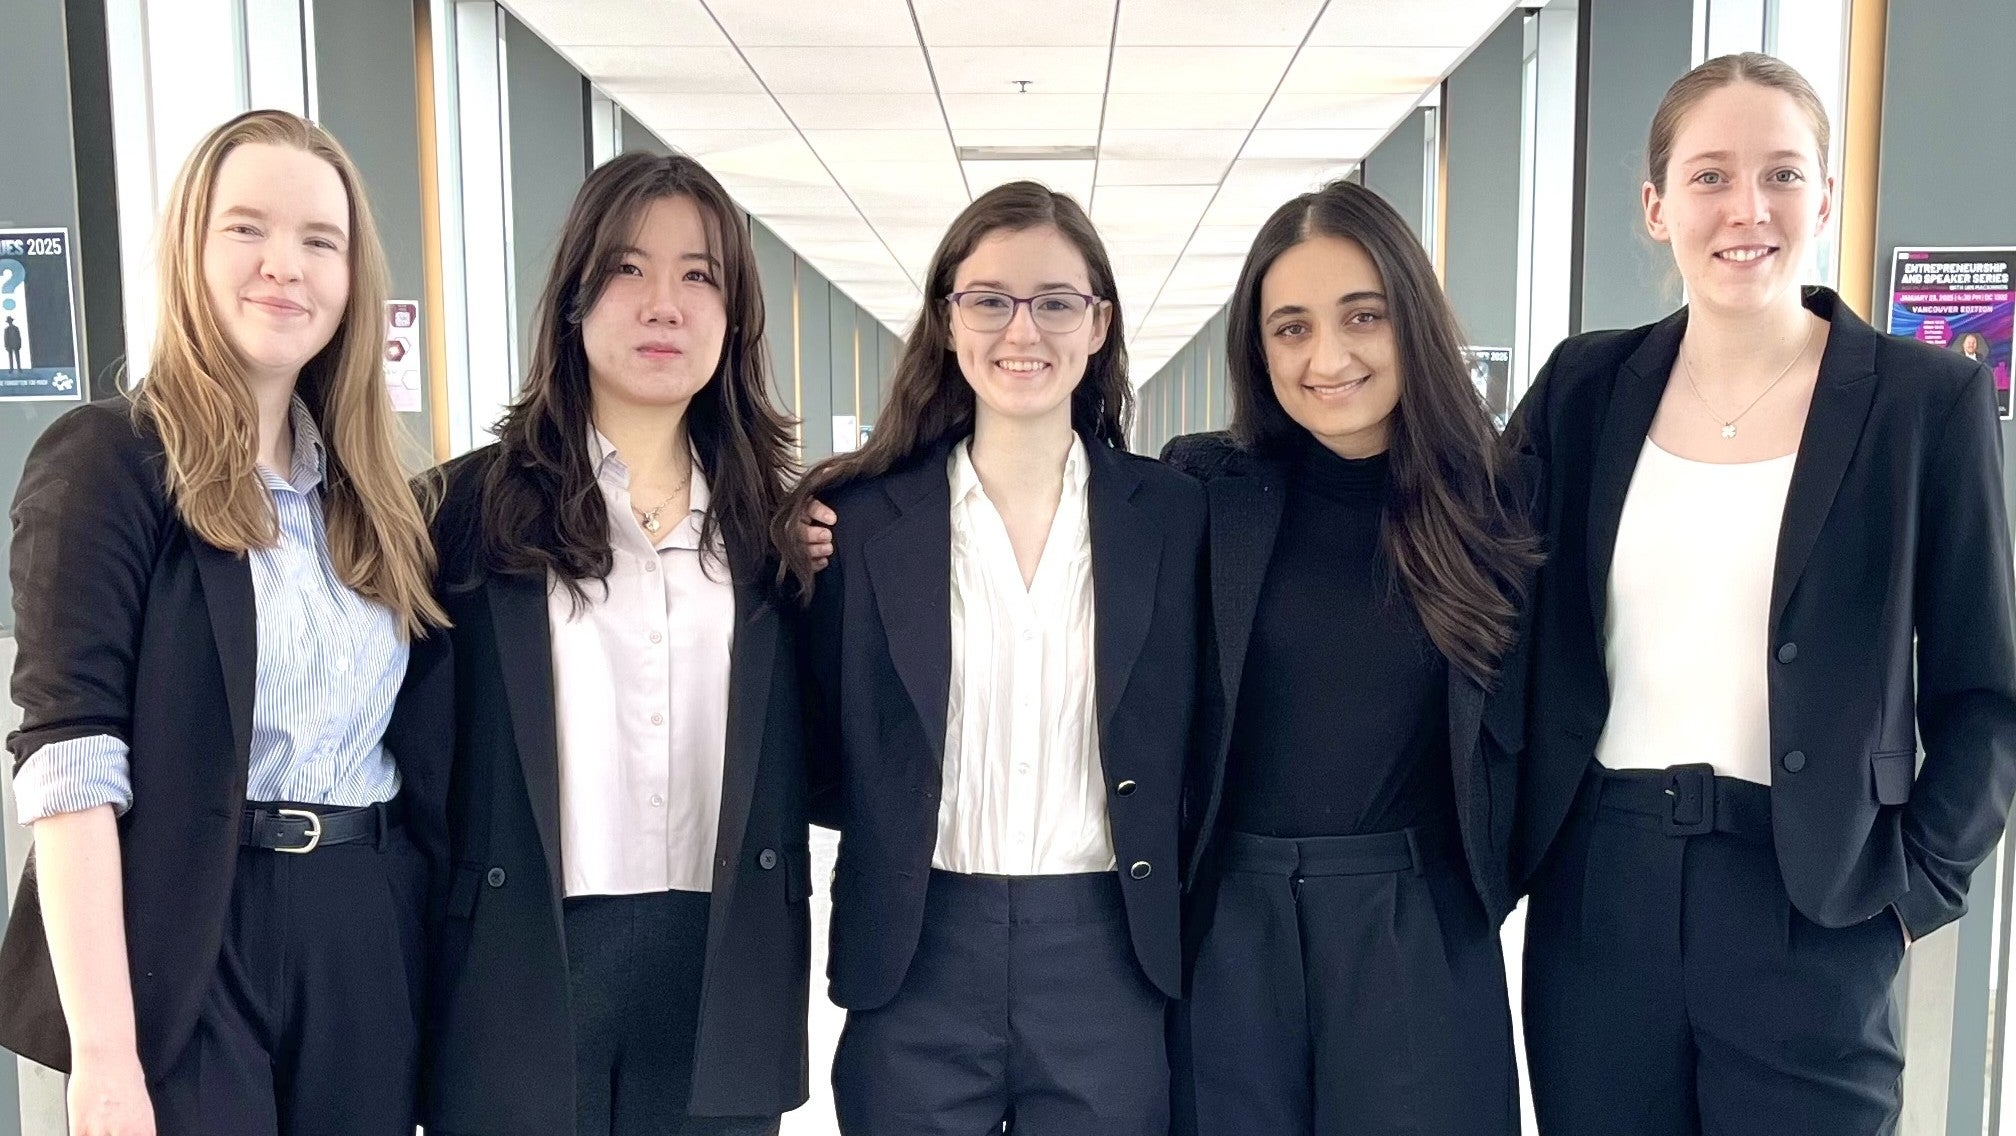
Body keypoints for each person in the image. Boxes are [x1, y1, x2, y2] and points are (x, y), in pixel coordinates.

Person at [1508, 52, 2016, 1136]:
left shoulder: (1924, 402)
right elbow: (1474, 587)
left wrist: (1913, 891)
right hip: (1601, 891)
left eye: (1783, 173)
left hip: (1814, 902)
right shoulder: (1582, 390)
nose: (1749, 208)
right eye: (1711, 176)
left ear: (1825, 197)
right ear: (1657, 206)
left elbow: (1985, 693)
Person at [0, 108, 449, 1136]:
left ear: (352, 278)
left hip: (361, 925)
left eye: (320, 240)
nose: (283, 265)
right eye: (246, 228)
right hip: (189, 931)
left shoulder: (379, 496)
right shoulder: (109, 463)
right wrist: (104, 1055)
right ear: (190, 249)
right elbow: (69, 763)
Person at [775, 180, 1204, 1136]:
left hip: (1109, 956)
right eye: (989, 300)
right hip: (915, 956)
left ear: (1098, 324)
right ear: (947, 319)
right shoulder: (858, 523)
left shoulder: (1175, 519)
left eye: (1056, 302)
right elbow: (816, 735)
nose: (1023, 330)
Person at [420, 152, 809, 1136]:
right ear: (574, 299)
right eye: (629, 268)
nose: (663, 304)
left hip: (719, 969)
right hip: (521, 959)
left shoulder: (779, 531)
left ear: (734, 315)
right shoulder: (460, 511)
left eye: (698, 275)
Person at [1160, 178, 1538, 1135]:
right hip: (1229, 929)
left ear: (1413, 318)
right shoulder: (1202, 488)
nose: (1327, 357)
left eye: (1362, 316)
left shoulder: (1499, 503)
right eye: (1291, 328)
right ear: (1259, 350)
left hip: (1416, 928)